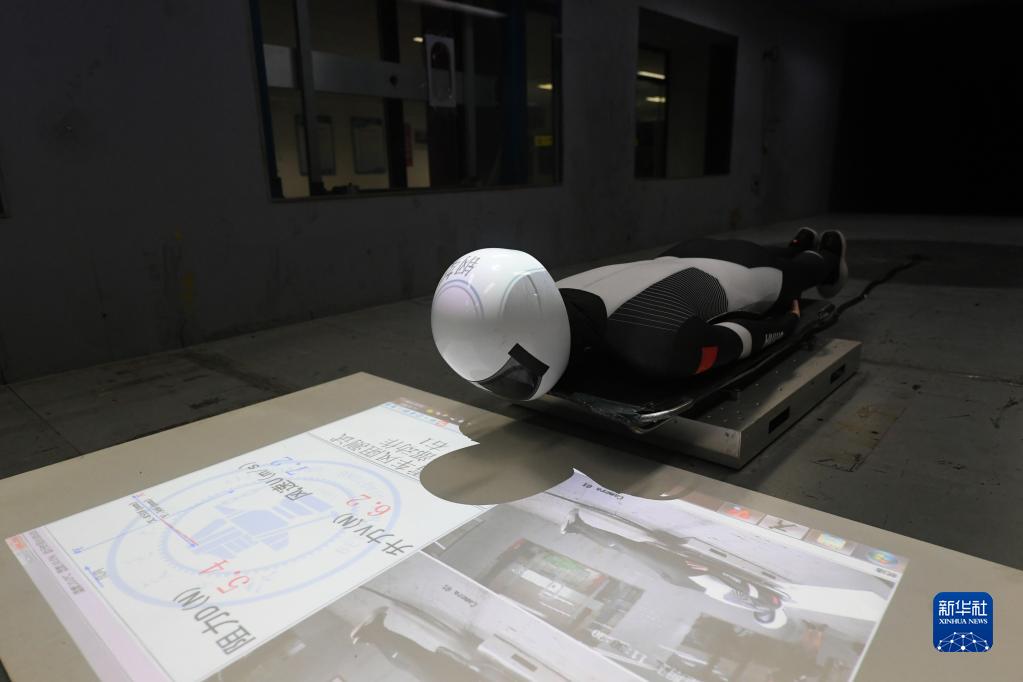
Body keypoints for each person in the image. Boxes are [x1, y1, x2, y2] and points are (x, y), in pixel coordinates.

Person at [431, 228, 847, 401]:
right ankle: (797, 248)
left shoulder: (658, 345)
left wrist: (787, 321)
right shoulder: (552, 290)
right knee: (773, 260)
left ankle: (821, 256)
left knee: (800, 272)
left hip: (745, 272)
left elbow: (742, 339)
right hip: (682, 254)